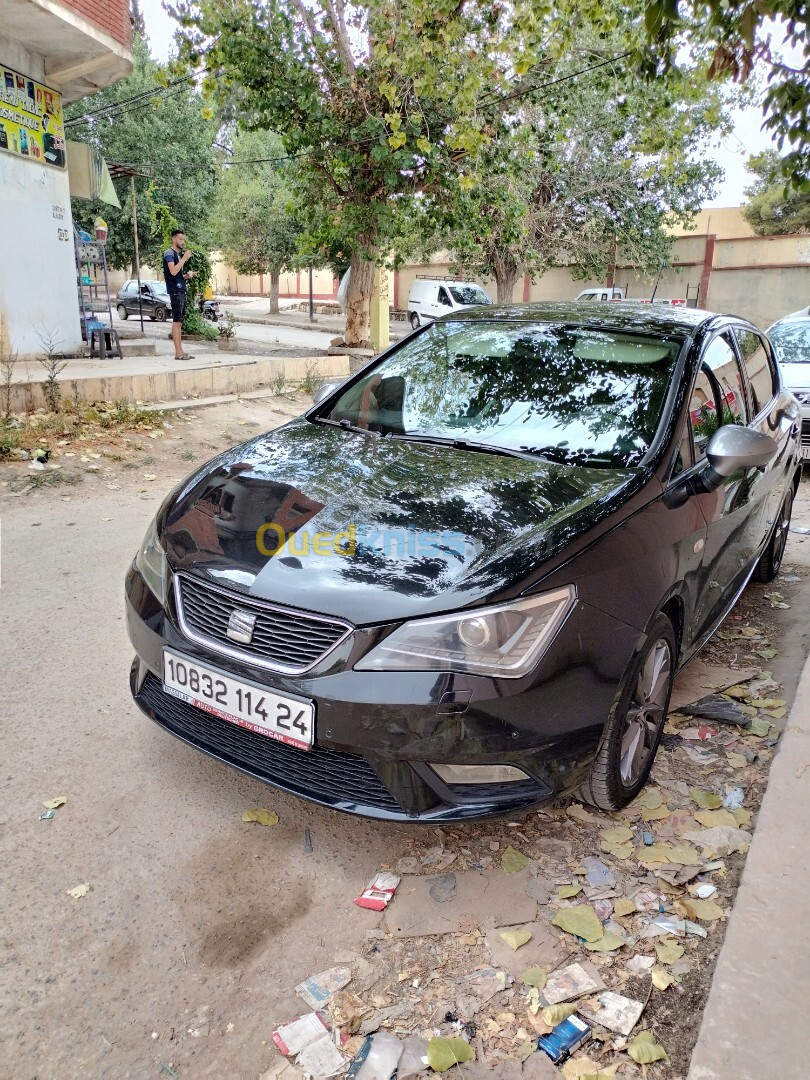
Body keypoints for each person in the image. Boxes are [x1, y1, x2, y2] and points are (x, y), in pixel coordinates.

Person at [163, 229, 197, 360]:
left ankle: (181, 351)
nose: (183, 242)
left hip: (181, 290)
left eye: (183, 239)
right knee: (177, 321)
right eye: (180, 239)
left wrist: (186, 276)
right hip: (175, 291)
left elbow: (177, 274)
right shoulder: (169, 254)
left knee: (180, 322)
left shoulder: (177, 255)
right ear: (174, 239)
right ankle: (178, 353)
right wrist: (184, 259)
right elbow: (172, 272)